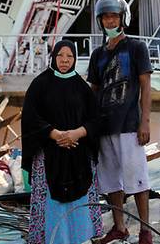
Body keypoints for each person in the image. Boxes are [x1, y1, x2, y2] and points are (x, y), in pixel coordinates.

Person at [21, 40, 103, 244]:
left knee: (80, 199)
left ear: (75, 59)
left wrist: (77, 133)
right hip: (48, 154)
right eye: (60, 56)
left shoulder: (82, 88)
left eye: (69, 56)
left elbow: (96, 120)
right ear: (54, 57)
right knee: (50, 200)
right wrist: (54, 134)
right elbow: (31, 117)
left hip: (78, 155)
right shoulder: (40, 84)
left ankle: (81, 239)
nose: (65, 60)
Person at [87, 0, 154, 244]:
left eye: (114, 16)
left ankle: (145, 232)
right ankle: (119, 227)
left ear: (123, 18)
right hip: (104, 126)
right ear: (100, 21)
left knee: (137, 179)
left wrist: (144, 121)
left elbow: (146, 86)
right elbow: (92, 90)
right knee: (111, 180)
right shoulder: (97, 55)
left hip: (129, 124)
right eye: (105, 17)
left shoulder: (137, 48)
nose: (110, 20)